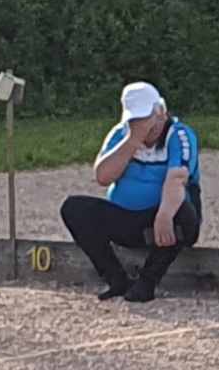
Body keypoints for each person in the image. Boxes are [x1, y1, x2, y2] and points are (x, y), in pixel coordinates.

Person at [61, 82, 201, 303]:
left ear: (160, 112)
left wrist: (164, 214)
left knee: (181, 213)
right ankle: (116, 280)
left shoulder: (180, 135)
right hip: (127, 219)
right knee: (74, 208)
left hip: (165, 220)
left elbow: (177, 178)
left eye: (145, 119)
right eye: (135, 121)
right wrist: (133, 140)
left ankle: (147, 282)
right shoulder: (121, 134)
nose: (142, 127)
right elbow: (103, 176)